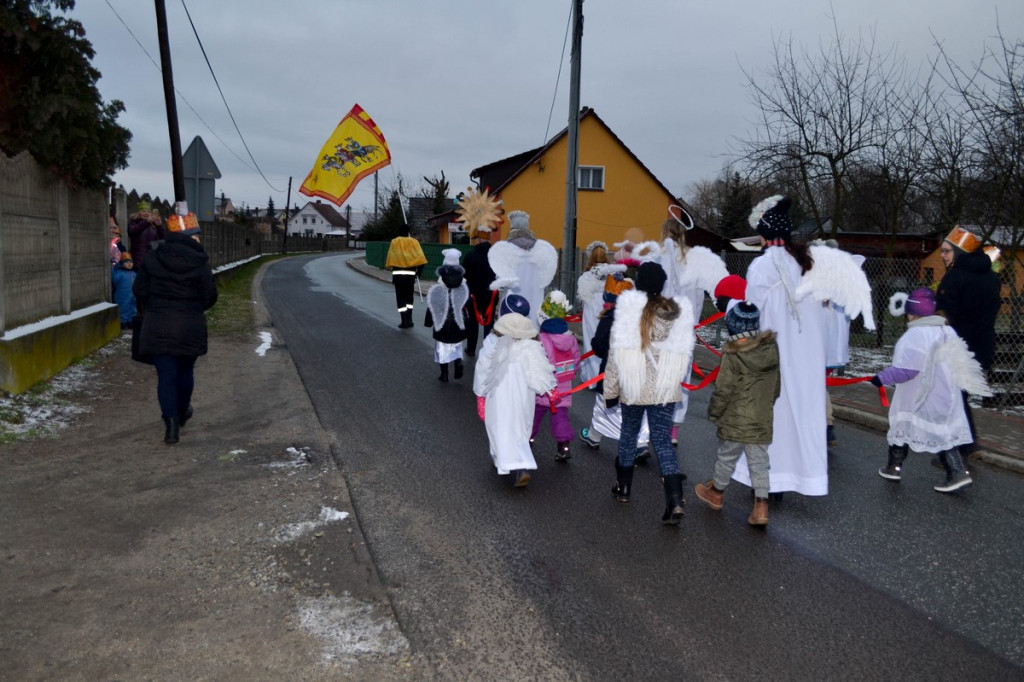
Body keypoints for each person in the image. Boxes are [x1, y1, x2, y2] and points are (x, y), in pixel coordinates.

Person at [734, 195, 829, 497]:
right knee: (794, 416)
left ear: (764, 233)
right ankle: (787, 479)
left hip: (771, 355)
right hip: (803, 357)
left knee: (768, 416)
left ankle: (766, 484)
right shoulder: (805, 264)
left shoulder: (763, 266)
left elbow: (752, 313)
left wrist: (729, 306)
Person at [873, 287, 991, 492]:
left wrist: (881, 378)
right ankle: (894, 467)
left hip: (918, 394)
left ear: (911, 313)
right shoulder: (947, 330)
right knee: (936, 430)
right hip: (946, 392)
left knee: (906, 425)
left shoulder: (914, 335)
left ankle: (954, 473)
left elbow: (907, 369)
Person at [604, 261, 694, 525]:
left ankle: (623, 488)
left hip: (634, 385)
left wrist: (610, 389)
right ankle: (675, 500)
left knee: (629, 433)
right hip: (664, 388)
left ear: (639, 283)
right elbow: (684, 354)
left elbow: (615, 356)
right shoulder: (676, 316)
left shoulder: (627, 314)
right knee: (663, 441)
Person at [133, 209, 217, 445]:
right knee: (185, 372)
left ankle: (171, 426)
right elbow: (209, 295)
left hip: (158, 324)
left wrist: (155, 303)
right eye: (196, 234)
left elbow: (139, 290)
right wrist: (193, 306)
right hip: (189, 325)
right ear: (191, 236)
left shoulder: (153, 256)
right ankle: (182, 413)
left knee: (166, 376)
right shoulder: (200, 261)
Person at [694, 301, 780, 526]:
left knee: (726, 457)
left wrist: (714, 411)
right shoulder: (771, 349)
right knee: (759, 462)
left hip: (736, 419)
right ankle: (761, 507)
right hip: (761, 417)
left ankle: (717, 493)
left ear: (733, 327)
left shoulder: (732, 355)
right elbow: (776, 386)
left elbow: (723, 389)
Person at [658, 205, 729, 447]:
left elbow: (661, 292)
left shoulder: (665, 259)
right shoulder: (695, 261)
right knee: (682, 377)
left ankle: (656, 425)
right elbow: (700, 296)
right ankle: (674, 430)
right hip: (686, 330)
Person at [935, 226, 1001, 458]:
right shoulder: (992, 278)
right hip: (982, 346)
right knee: (959, 395)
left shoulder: (955, 277)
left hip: (957, 348)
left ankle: (960, 449)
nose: (942, 256)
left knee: (952, 397)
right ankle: (966, 445)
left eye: (946, 251)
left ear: (960, 252)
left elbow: (944, 316)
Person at [473, 311, 556, 488]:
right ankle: (521, 465)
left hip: (498, 396)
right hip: (523, 397)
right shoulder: (532, 348)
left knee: (499, 427)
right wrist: (550, 390)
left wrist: (480, 395)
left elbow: (482, 369)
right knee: (520, 429)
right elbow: (540, 372)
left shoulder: (493, 345)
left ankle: (504, 460)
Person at [578, 272, 652, 462]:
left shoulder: (610, 318)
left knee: (604, 405)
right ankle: (641, 444)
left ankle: (594, 437)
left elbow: (598, 345)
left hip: (612, 371)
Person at [530, 290, 581, 462]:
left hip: (544, 386)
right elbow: (576, 360)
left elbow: (538, 361)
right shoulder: (571, 339)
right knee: (560, 416)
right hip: (564, 386)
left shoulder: (541, 339)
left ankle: (527, 439)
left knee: (534, 414)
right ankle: (564, 446)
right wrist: (571, 373)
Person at [487, 210, 558, 326]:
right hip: (535, 300)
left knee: (511, 333)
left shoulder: (506, 250)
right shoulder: (541, 250)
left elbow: (501, 278)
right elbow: (546, 277)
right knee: (532, 333)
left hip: (513, 302)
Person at [424, 249, 470, 382]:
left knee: (442, 348)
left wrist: (428, 322)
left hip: (442, 322)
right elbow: (468, 302)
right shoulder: (463, 285)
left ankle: (444, 374)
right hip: (458, 321)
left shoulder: (439, 286)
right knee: (456, 345)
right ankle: (458, 363)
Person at [575, 241, 614, 383]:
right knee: (607, 340)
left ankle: (592, 377)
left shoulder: (585, 277)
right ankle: (606, 375)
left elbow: (581, 297)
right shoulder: (613, 274)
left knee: (591, 339)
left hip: (591, 311)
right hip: (607, 309)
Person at [462, 224, 497, 356]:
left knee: (473, 322)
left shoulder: (470, 255)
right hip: (491, 294)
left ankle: (471, 349)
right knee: (489, 323)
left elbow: (463, 275)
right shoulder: (495, 256)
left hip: (474, 296)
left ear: (478, 239)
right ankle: (487, 350)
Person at [385, 223, 427, 329]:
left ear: (399, 231)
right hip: (410, 276)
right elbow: (422, 260)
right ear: (409, 231)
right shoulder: (414, 242)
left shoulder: (394, 242)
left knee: (400, 298)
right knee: (409, 298)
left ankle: (404, 321)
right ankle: (410, 319)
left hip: (398, 276)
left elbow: (391, 258)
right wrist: (419, 273)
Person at [111, 251, 137, 329]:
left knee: (132, 308)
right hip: (122, 295)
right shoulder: (119, 273)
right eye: (127, 262)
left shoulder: (133, 273)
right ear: (122, 263)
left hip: (132, 295)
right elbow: (114, 280)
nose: (129, 264)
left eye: (131, 262)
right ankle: (123, 322)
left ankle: (131, 321)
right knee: (123, 308)